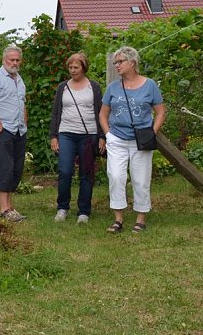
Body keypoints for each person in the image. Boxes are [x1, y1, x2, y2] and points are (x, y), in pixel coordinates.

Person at [98, 46, 166, 234]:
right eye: (115, 62)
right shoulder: (113, 87)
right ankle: (118, 218)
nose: (116, 65)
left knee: (141, 179)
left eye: (120, 62)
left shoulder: (150, 85)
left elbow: (160, 111)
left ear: (133, 62)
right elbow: (103, 114)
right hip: (117, 139)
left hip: (141, 140)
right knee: (116, 176)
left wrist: (152, 132)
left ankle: (141, 218)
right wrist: (108, 135)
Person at [49, 52, 106, 224]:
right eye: (70, 67)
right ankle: (62, 208)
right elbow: (56, 113)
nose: (73, 71)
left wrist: (102, 136)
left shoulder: (94, 87)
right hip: (66, 133)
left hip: (89, 135)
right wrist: (54, 136)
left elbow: (101, 112)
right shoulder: (62, 87)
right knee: (65, 171)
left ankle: (84, 211)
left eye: (76, 67)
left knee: (86, 173)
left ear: (84, 68)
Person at [0, 45, 28, 222]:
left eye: (17, 60)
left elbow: (22, 104)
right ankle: (3, 209)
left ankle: (10, 207)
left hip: (18, 130)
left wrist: (24, 124)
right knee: (6, 167)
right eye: (11, 60)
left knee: (16, 169)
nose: (14, 63)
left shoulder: (19, 79)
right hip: (3, 131)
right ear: (4, 60)